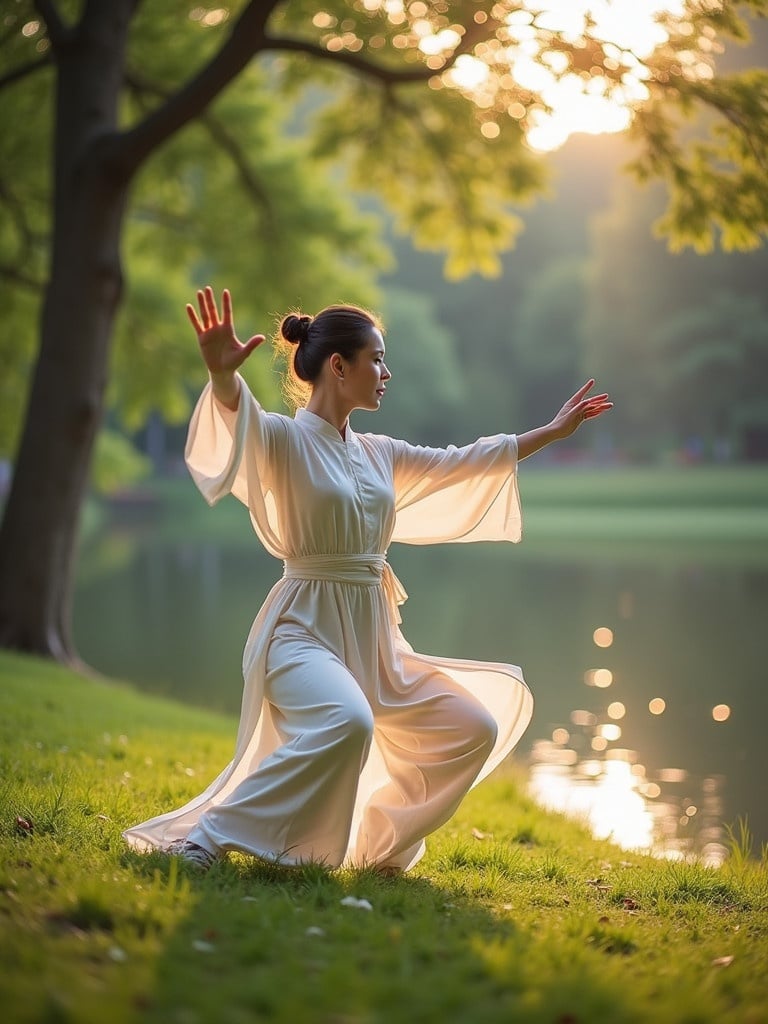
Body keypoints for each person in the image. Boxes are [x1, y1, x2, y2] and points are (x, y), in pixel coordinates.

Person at [123, 286, 612, 873]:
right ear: (338, 365)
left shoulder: (379, 452)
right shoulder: (284, 439)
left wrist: (551, 433)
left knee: (473, 727)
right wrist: (225, 380)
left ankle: (378, 846)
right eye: (376, 359)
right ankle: (206, 837)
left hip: (375, 641)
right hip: (300, 633)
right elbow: (240, 428)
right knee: (347, 721)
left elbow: (466, 460)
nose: (386, 372)